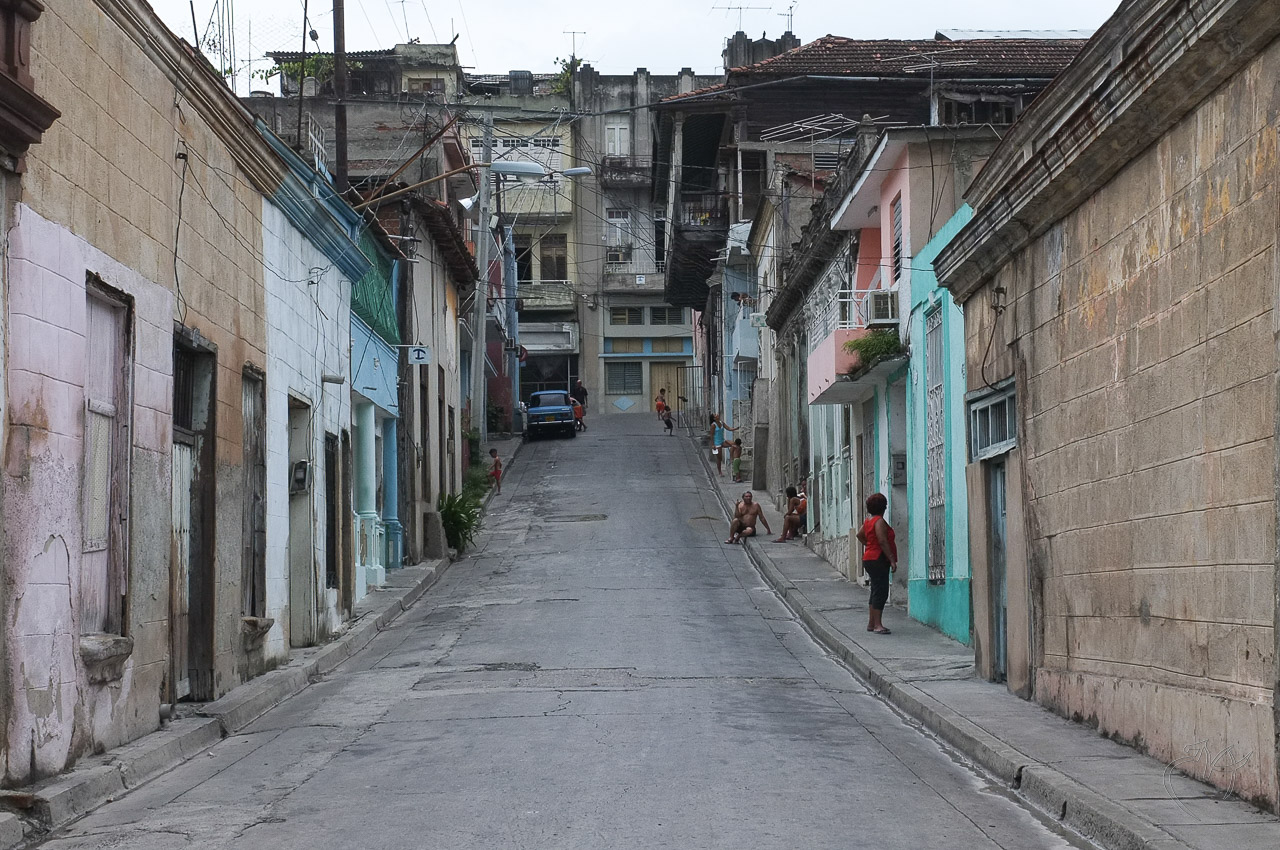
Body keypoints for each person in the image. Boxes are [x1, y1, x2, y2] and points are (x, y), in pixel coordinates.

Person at [856, 493, 897, 634]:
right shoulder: (879, 521)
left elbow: (859, 535)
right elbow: (882, 541)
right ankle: (878, 625)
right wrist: (891, 559)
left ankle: (871, 623)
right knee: (881, 591)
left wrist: (869, 545)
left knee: (875, 589)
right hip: (878, 558)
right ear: (883, 507)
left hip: (869, 557)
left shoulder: (868, 521)